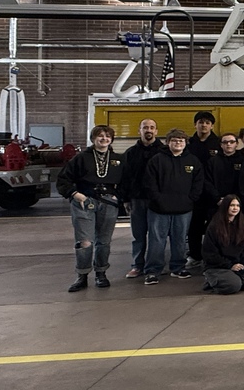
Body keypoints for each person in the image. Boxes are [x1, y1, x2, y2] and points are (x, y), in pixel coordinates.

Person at [57, 124, 126, 292]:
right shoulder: (81, 158)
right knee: (85, 242)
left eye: (107, 136)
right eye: (100, 136)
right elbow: (63, 180)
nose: (104, 139)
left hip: (109, 203)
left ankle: (101, 273)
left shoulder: (119, 159)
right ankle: (82, 275)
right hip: (84, 202)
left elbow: (129, 181)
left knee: (104, 241)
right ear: (93, 138)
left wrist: (119, 196)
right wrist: (74, 194)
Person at [142, 128, 205, 285]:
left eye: (181, 141)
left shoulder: (193, 161)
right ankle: (153, 271)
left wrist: (191, 199)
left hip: (184, 209)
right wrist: (158, 200)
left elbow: (198, 183)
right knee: (157, 240)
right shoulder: (157, 160)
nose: (178, 143)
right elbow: (150, 184)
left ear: (185, 143)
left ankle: (178, 268)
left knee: (180, 239)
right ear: (168, 142)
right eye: (175, 140)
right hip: (158, 209)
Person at [122, 119, 165, 279]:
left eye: (152, 127)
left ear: (156, 131)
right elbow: (125, 178)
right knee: (138, 235)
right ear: (139, 130)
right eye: (145, 127)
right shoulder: (130, 153)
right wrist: (126, 199)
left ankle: (153, 268)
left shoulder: (164, 152)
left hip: (157, 201)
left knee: (157, 236)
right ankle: (137, 266)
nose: (149, 130)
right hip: (137, 200)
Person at [201, 195, 244, 295]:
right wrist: (230, 265)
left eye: (237, 205)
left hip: (239, 262)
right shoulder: (214, 225)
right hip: (218, 265)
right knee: (233, 285)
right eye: (232, 205)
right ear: (225, 206)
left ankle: (231, 278)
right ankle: (211, 279)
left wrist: (243, 264)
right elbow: (210, 253)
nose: (235, 208)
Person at [186, 111, 220, 271]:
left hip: (214, 195)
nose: (204, 125)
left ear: (212, 125)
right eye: (200, 122)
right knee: (194, 227)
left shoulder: (218, 143)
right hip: (194, 194)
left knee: (215, 228)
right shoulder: (188, 144)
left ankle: (214, 257)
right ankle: (194, 256)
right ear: (195, 124)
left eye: (207, 122)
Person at [205, 131, 244, 205]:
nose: (228, 144)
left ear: (236, 144)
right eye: (225, 142)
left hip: (237, 201)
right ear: (221, 145)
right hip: (216, 201)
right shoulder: (213, 161)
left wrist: (235, 199)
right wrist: (217, 198)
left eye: (232, 142)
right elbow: (207, 181)